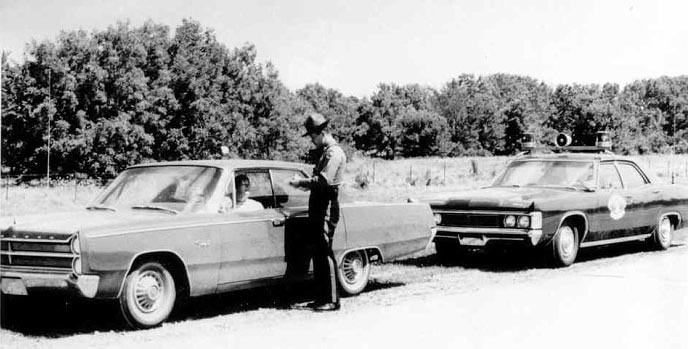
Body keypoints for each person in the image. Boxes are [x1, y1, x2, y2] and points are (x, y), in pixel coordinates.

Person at [289, 112, 346, 312]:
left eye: (312, 137)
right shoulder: (325, 152)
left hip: (327, 206)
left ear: (320, 133)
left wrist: (301, 182)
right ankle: (321, 297)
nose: (312, 141)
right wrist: (306, 185)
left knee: (325, 251)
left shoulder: (333, 153)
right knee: (318, 252)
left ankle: (332, 299)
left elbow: (324, 181)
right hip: (319, 205)